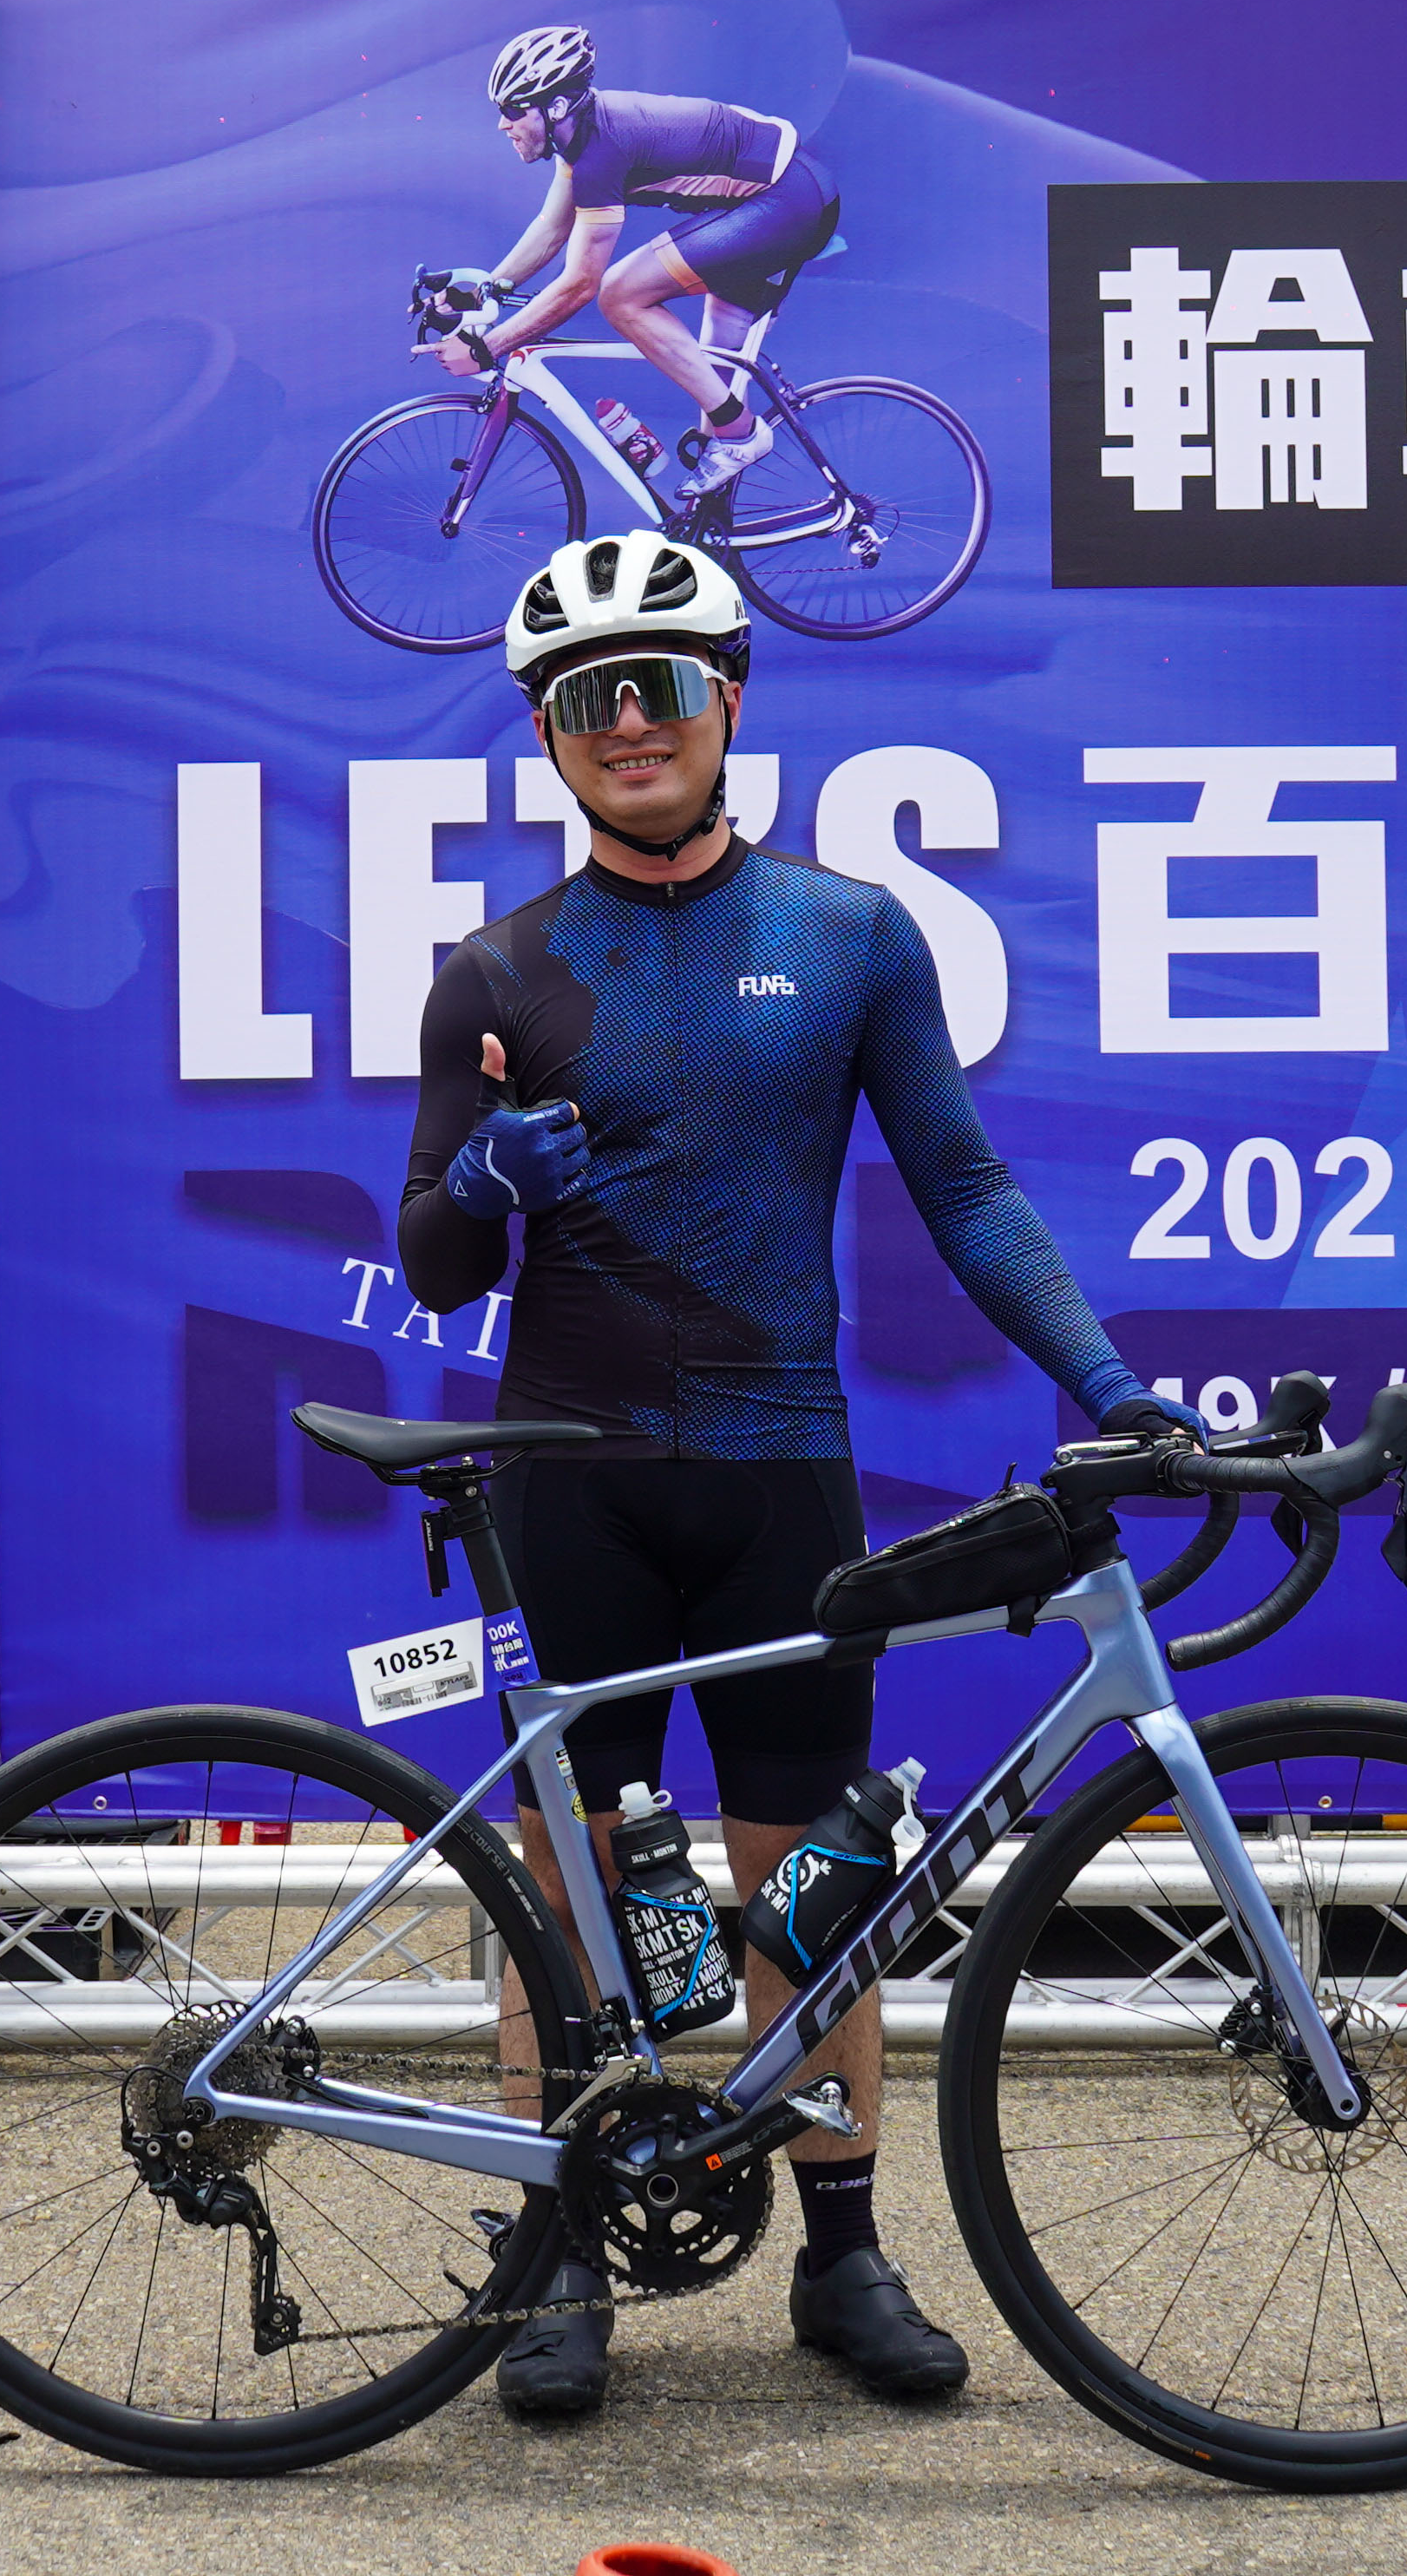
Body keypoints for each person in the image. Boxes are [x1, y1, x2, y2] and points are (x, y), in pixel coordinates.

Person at [394, 534, 1185, 2420]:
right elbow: (430, 1259)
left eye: (662, 684)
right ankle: (558, 2252)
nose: (631, 720)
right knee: (573, 1884)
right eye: (588, 698)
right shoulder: (496, 969)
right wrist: (484, 1178)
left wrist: (1108, 1382)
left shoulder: (850, 933)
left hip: (782, 1475)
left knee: (808, 1880)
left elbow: (966, 1187)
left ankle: (843, 2251)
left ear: (730, 701)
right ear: (548, 737)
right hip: (573, 1481)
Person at [428, 24, 840, 501]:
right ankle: (717, 510)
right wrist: (483, 291)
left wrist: (488, 347)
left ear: (555, 108)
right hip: (779, 197)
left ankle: (742, 434)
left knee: (622, 294)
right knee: (712, 392)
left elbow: (580, 285)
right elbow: (551, 229)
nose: (504, 124)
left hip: (787, 202)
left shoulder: (600, 152)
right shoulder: (579, 138)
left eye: (514, 110)